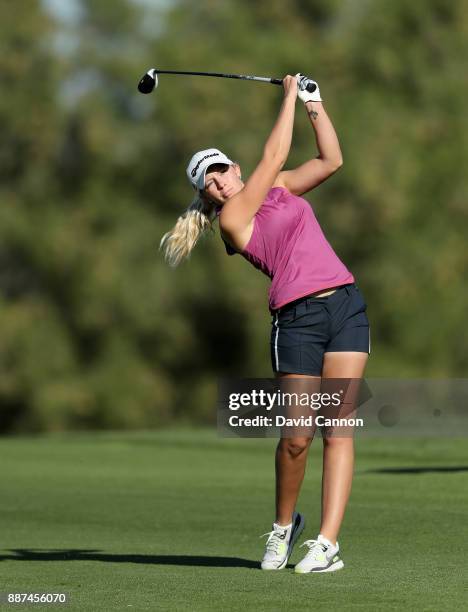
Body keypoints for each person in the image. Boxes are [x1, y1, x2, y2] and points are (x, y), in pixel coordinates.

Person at [160, 74, 370, 573]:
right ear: (208, 196)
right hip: (295, 321)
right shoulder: (233, 222)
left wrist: (314, 103)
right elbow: (274, 157)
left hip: (344, 306)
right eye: (208, 182)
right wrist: (289, 97)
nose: (218, 182)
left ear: (233, 167)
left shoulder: (275, 188)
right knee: (297, 436)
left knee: (338, 428)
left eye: (219, 171)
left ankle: (327, 542)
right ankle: (283, 527)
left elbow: (331, 161)